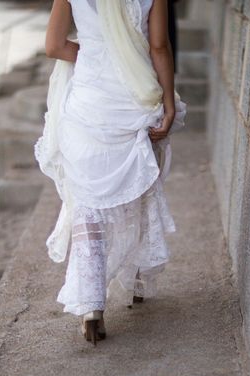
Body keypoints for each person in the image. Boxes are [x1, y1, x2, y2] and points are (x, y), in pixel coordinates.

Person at [35, 0, 186, 345]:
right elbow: (158, 46)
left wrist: (94, 54)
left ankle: (91, 307)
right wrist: (169, 103)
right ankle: (133, 280)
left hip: (89, 102)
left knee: (88, 201)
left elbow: (54, 46)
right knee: (135, 188)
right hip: (131, 97)